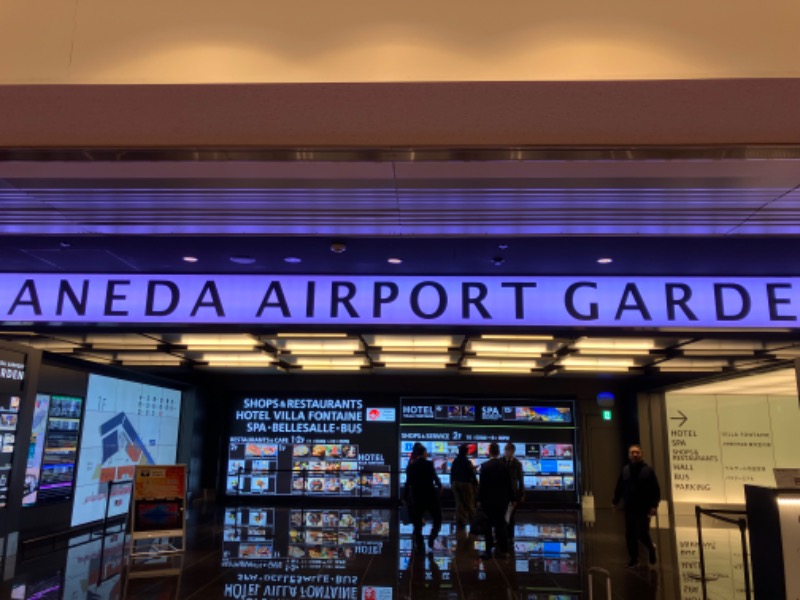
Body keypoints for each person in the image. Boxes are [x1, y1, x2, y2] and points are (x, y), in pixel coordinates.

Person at [612, 444, 661, 568]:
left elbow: (655, 489)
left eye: (637, 452)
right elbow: (620, 487)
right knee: (630, 534)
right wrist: (615, 502)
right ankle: (633, 559)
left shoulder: (648, 470)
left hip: (643, 507)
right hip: (629, 507)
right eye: (632, 453)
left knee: (642, 533)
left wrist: (654, 505)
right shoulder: (625, 470)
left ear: (641, 454)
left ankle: (651, 548)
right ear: (629, 455)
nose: (635, 455)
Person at [477, 442, 514, 559]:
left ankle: (488, 551)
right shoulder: (504, 466)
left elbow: (481, 486)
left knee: (487, 526)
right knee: (501, 525)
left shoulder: (484, 466)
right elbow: (509, 484)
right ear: (499, 452)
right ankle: (504, 551)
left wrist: (479, 500)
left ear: (490, 451)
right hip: (501, 501)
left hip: (488, 501)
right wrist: (511, 498)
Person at [404, 444, 443, 552]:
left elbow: (408, 483)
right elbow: (435, 477)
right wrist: (439, 486)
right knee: (438, 518)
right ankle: (432, 536)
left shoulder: (411, 466)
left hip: (417, 496)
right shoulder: (429, 464)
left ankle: (420, 543)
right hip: (430, 495)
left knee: (417, 523)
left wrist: (404, 497)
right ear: (424, 453)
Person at [450, 444, 477, 528]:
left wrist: (452, 483)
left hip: (455, 483)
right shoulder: (467, 462)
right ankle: (473, 520)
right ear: (467, 452)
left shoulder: (455, 461)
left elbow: (452, 473)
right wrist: (475, 483)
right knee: (469, 502)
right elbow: (471, 474)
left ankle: (461, 520)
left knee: (459, 502)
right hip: (466, 483)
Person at [503, 442, 525, 540]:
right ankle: (502, 537)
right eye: (505, 450)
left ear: (513, 451)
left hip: (513, 494)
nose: (506, 452)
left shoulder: (517, 464)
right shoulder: (500, 462)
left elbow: (521, 480)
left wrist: (521, 495)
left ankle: (510, 538)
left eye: (508, 450)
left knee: (511, 517)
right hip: (501, 494)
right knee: (502, 516)